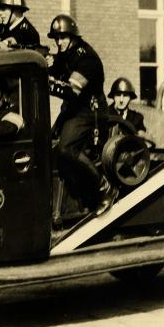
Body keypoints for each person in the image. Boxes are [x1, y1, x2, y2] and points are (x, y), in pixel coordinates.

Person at [47, 14, 118, 216]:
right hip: (74, 109)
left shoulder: (87, 59)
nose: (58, 42)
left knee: (66, 149)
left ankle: (104, 188)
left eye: (62, 37)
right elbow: (56, 70)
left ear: (73, 36)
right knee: (52, 149)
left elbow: (71, 91)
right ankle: (78, 201)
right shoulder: (66, 53)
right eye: (56, 38)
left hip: (90, 110)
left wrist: (48, 81)